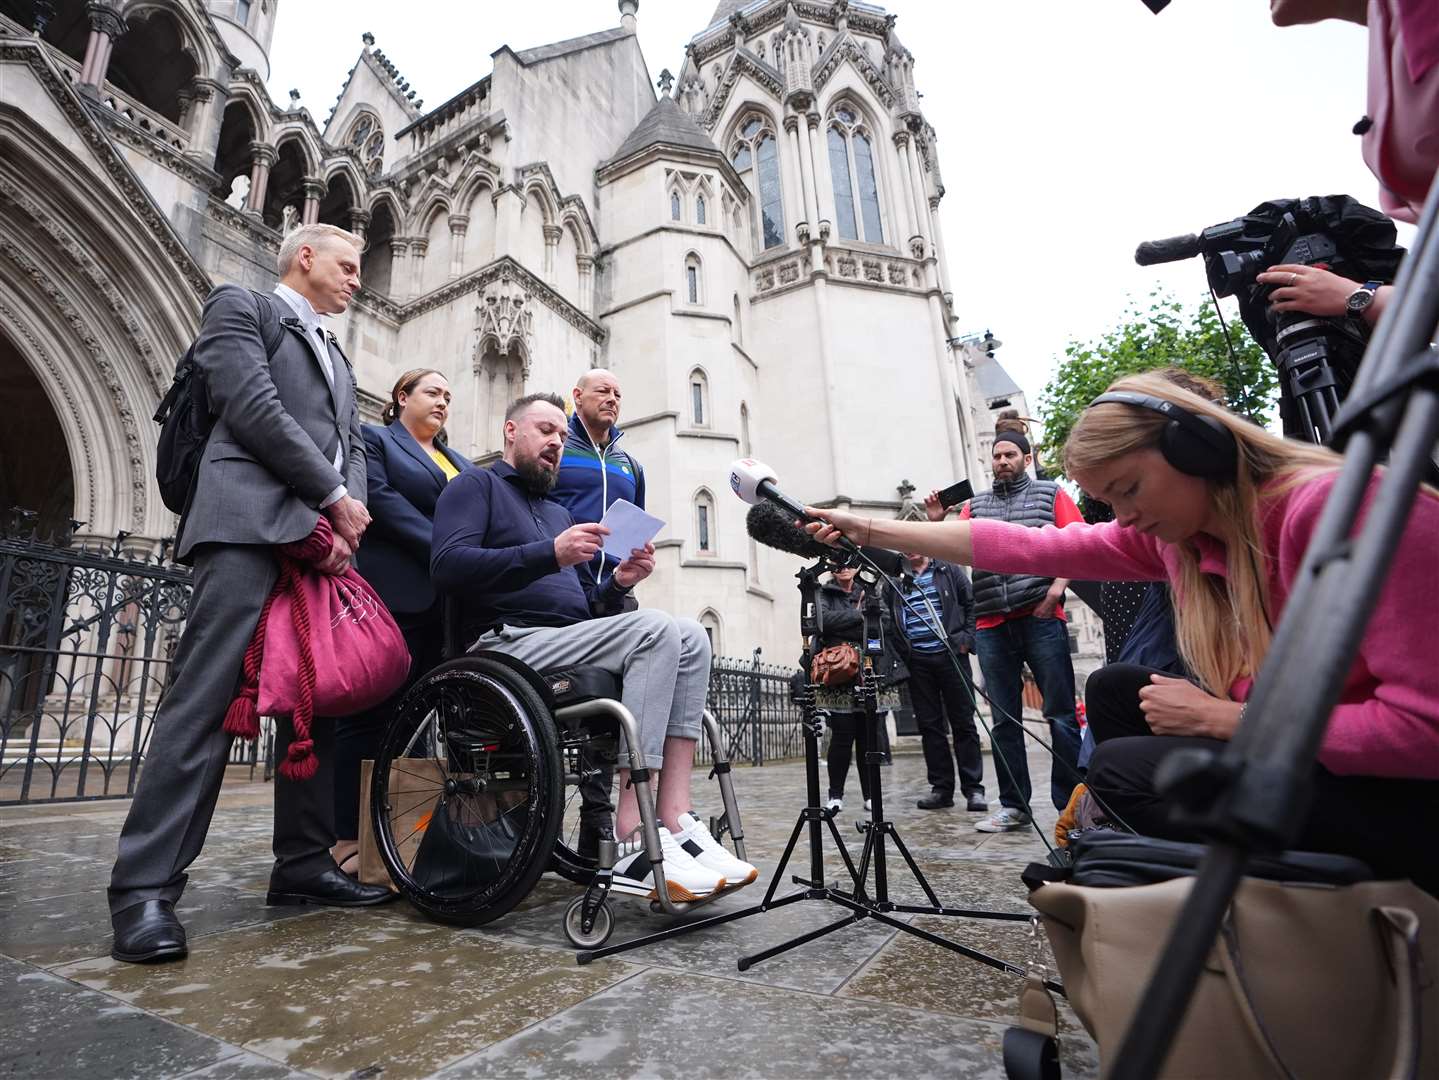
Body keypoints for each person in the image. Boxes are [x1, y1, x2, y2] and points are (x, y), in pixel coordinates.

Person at [803, 371, 1439, 894]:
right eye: (1111, 500)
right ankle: (1160, 864)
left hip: (1401, 793)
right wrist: (870, 529)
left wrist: (1228, 720)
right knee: (1115, 690)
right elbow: (1018, 544)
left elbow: (1425, 733)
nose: (1124, 516)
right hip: (1302, 750)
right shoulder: (1184, 536)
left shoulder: (1343, 509)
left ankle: (1180, 878)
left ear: (1202, 449)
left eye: (1129, 489)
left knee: (1122, 770)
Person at [108, 224, 392, 965]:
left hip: (319, 542)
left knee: (319, 706)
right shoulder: (238, 306)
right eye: (347, 265)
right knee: (202, 706)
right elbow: (249, 403)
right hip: (245, 526)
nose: (357, 280)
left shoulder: (335, 349)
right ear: (306, 258)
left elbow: (354, 445)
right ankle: (143, 890)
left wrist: (346, 521)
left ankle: (301, 866)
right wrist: (331, 496)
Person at [430, 393, 758, 901]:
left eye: (562, 435)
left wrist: (620, 583)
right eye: (544, 430)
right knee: (654, 629)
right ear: (510, 431)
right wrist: (548, 554)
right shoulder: (475, 485)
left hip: (564, 642)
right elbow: (448, 567)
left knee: (690, 636)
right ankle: (633, 829)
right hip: (505, 644)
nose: (556, 443)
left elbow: (590, 610)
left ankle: (672, 814)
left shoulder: (560, 513)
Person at [330, 368, 471, 876]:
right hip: (396, 595)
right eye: (433, 392)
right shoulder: (377, 441)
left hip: (447, 606)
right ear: (401, 397)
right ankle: (346, 837)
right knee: (369, 716)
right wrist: (450, 547)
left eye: (448, 396)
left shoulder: (456, 460)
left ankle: (391, 835)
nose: (442, 402)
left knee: (414, 720)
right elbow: (383, 501)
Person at [927, 432, 1083, 833]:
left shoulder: (1050, 495)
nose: (1001, 461)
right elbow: (952, 549)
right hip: (992, 623)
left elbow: (1079, 543)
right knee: (1003, 721)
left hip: (1041, 615)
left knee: (1062, 716)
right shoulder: (976, 505)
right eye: (996, 455)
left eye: (1010, 454)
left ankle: (1071, 805)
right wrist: (935, 522)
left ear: (1026, 458)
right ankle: (1014, 806)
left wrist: (1056, 590)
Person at [890, 551, 985, 812]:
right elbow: (890, 618)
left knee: (963, 723)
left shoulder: (949, 570)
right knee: (930, 727)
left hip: (952, 656)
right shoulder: (896, 579)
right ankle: (941, 789)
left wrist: (966, 640)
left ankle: (974, 790)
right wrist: (904, 652)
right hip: (918, 661)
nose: (910, 548)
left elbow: (972, 604)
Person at [550, 368, 645, 594]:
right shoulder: (555, 449)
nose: (612, 399)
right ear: (578, 396)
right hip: (561, 584)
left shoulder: (632, 466)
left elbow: (635, 533)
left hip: (616, 589)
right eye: (603, 391)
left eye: (617, 395)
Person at [813, 565, 872, 814]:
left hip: (867, 668)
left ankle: (871, 795)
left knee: (868, 737)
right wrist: (859, 616)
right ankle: (835, 795)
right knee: (842, 736)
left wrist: (845, 624)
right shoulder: (824, 594)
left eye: (848, 563)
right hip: (838, 671)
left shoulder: (868, 591)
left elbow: (883, 624)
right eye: (838, 566)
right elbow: (822, 622)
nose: (844, 569)